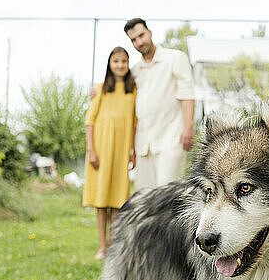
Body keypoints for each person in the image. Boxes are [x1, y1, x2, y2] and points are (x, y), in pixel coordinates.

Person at [124, 18, 195, 190]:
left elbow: (187, 95)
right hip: (144, 145)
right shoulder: (135, 71)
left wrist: (188, 128)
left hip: (171, 139)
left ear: (150, 33)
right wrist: (98, 89)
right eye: (134, 40)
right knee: (145, 198)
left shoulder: (175, 58)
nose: (139, 42)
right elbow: (117, 88)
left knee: (167, 196)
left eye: (141, 35)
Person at [83, 47, 137, 259]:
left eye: (124, 61)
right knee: (101, 199)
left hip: (121, 151)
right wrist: (91, 149)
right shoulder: (101, 89)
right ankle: (102, 245)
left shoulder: (132, 90)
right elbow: (90, 120)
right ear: (109, 64)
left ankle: (113, 244)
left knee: (116, 199)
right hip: (101, 149)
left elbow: (134, 123)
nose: (120, 65)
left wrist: (132, 151)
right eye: (116, 61)